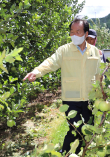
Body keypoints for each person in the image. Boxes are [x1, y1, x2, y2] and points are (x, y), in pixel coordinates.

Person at [23, 17, 101, 155]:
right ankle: (67, 152)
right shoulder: (64, 50)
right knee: (77, 128)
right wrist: (36, 71)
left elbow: (99, 74)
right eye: (72, 32)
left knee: (88, 127)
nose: (74, 35)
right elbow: (50, 62)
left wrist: (102, 92)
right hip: (71, 98)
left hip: (89, 98)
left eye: (78, 31)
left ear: (86, 33)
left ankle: (77, 152)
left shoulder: (95, 52)